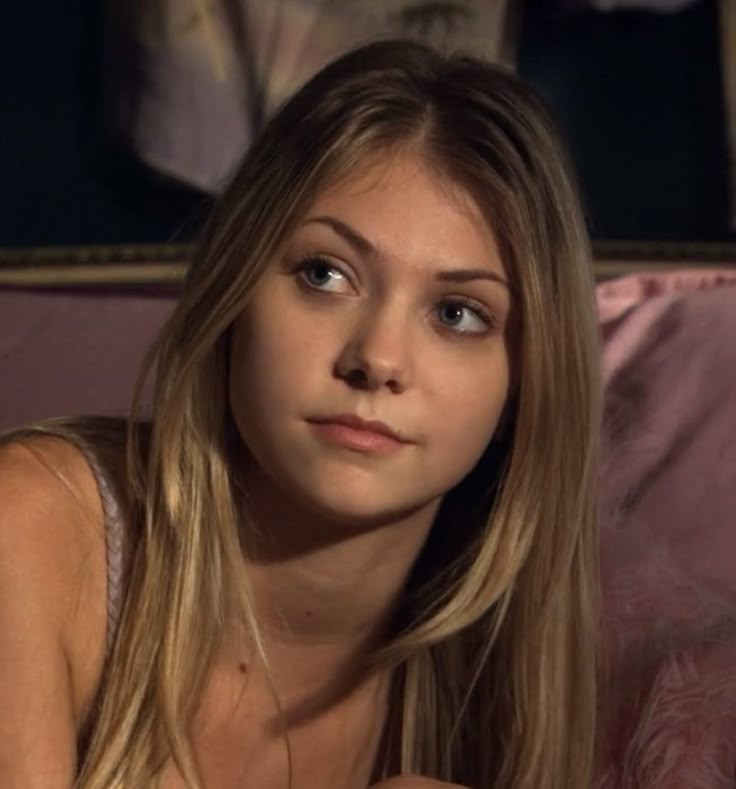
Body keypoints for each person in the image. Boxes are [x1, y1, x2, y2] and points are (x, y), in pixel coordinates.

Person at [0, 39, 601, 789]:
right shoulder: (29, 529)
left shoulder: (489, 689)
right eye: (325, 273)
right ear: (236, 291)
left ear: (526, 388)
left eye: (458, 312)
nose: (377, 358)